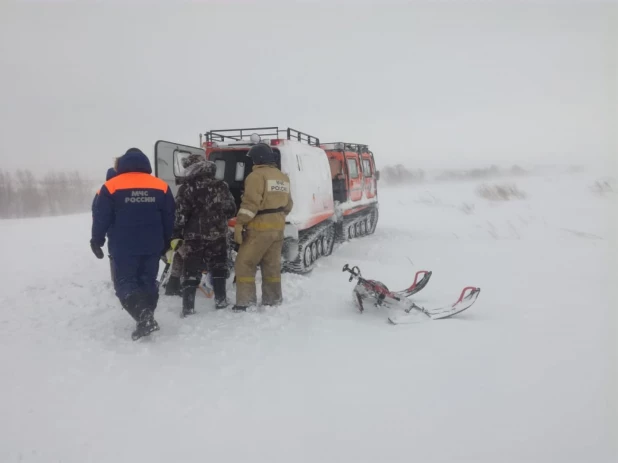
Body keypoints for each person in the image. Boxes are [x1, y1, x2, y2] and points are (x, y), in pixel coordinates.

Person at [91, 148, 175, 340]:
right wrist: (168, 240)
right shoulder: (160, 185)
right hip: (153, 243)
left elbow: (101, 217)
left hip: (123, 245)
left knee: (125, 281)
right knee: (147, 280)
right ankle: (146, 315)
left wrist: (97, 240)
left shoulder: (111, 186)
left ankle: (143, 317)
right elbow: (169, 216)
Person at [172, 154, 236, 316]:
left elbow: (180, 216)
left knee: (191, 270)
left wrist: (176, 235)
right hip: (218, 235)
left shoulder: (186, 188)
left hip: (194, 237)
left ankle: (188, 308)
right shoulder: (221, 185)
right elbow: (231, 210)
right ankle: (220, 300)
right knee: (219, 267)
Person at [233, 143, 293, 312]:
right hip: (278, 228)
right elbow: (289, 205)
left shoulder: (256, 176)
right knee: (272, 265)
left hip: (259, 228)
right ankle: (273, 299)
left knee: (245, 264)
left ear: (258, 159)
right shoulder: (283, 177)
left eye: (252, 158)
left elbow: (250, 204)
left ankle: (245, 302)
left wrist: (240, 223)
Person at [92, 167, 119, 289]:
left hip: (113, 230)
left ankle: (117, 280)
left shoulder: (102, 191)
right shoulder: (123, 188)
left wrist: (98, 237)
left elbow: (98, 215)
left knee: (115, 255)